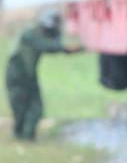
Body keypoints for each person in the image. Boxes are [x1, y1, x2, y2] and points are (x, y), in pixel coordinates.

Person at [5, 8, 82, 141]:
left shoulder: (35, 33)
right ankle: (22, 136)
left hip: (28, 76)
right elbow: (50, 46)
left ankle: (27, 136)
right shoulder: (30, 35)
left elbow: (52, 44)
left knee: (35, 108)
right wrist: (71, 48)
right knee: (21, 108)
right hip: (17, 76)